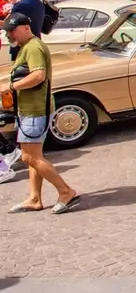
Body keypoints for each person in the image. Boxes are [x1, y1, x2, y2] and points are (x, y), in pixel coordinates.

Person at [1, 12, 80, 214]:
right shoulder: (27, 46)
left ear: (26, 28)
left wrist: (12, 87)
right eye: (8, 31)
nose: (10, 35)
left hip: (36, 110)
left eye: (13, 31)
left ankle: (65, 191)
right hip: (31, 108)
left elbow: (38, 75)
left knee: (29, 157)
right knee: (34, 155)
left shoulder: (34, 47)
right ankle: (34, 198)